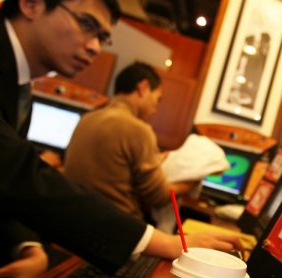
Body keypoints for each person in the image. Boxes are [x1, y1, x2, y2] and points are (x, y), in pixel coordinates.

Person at [0, 0, 242, 278]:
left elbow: (5, 184)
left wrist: (28, 245)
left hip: (55, 242)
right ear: (31, 4)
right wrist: (167, 238)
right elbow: (20, 173)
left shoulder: (82, 111)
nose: (95, 47)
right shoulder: (136, 129)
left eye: (103, 37)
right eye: (87, 24)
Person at [64, 62, 195, 223]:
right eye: (157, 99)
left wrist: (155, 160)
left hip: (75, 221)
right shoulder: (138, 129)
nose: (155, 109)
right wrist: (191, 182)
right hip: (117, 227)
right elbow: (158, 196)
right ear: (143, 87)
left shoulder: (87, 118)